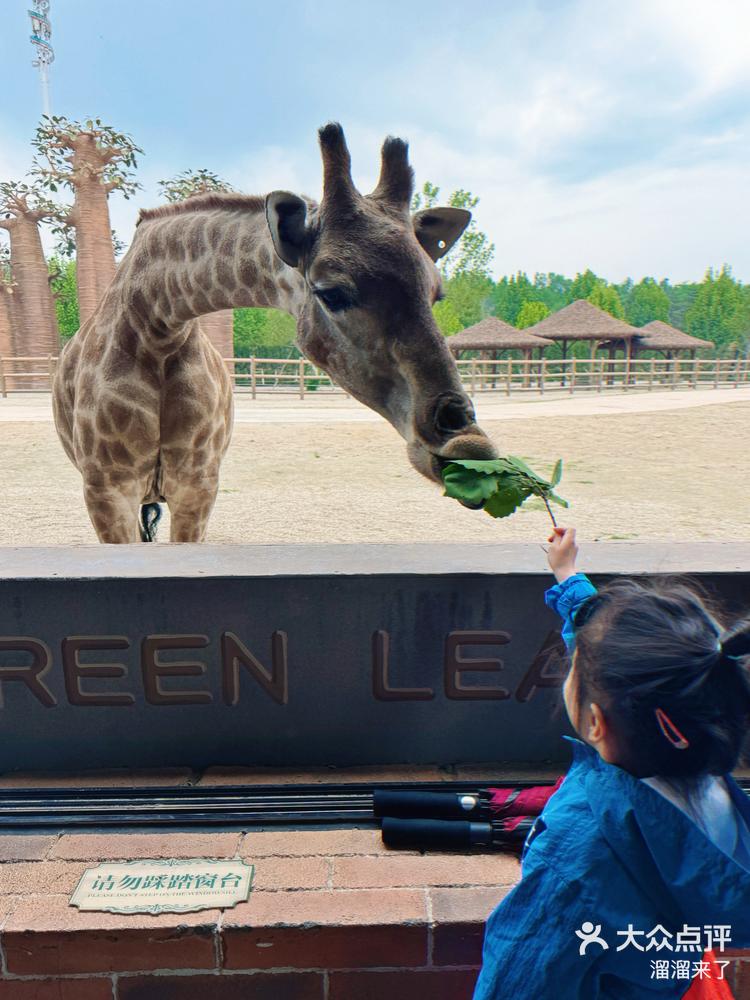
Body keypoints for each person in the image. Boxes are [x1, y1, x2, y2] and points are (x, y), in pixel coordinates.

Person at [473, 527, 750, 1000]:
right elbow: (618, 662)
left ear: (596, 722)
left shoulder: (576, 861)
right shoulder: (699, 762)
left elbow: (517, 982)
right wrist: (568, 576)